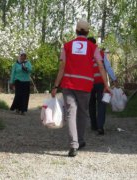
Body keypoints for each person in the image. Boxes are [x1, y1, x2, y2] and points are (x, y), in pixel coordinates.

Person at [51, 19, 111, 157]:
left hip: (68, 84)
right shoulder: (93, 47)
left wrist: (55, 85)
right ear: (88, 32)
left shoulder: (66, 46)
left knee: (71, 113)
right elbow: (101, 66)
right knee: (83, 113)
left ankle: (73, 144)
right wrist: (106, 85)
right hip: (85, 85)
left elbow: (62, 67)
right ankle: (81, 140)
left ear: (76, 30)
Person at [87, 37, 118, 135]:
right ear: (95, 44)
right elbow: (107, 67)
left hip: (89, 83)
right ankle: (100, 127)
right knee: (102, 104)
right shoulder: (100, 53)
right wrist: (114, 79)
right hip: (101, 82)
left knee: (91, 104)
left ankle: (93, 125)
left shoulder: (85, 55)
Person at [10, 50, 32, 115]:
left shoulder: (28, 63)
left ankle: (23, 110)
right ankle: (17, 108)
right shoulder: (16, 64)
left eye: (25, 56)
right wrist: (11, 82)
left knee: (25, 96)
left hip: (26, 81)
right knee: (18, 95)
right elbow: (13, 73)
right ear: (20, 56)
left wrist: (26, 69)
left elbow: (31, 70)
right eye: (22, 55)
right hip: (18, 81)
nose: (23, 57)